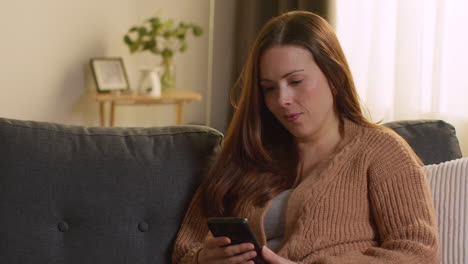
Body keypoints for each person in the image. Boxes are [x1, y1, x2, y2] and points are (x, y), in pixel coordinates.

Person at [172, 10, 439, 264]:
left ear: (334, 78)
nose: (282, 100)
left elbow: (419, 253)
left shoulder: (381, 151)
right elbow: (185, 248)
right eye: (269, 88)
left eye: (296, 82)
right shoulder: (249, 152)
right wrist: (202, 258)